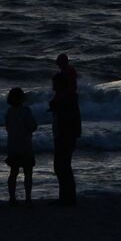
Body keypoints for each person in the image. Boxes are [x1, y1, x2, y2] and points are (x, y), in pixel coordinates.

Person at [48, 53, 82, 205]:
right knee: (63, 166)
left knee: (62, 166)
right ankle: (66, 197)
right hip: (64, 135)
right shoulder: (66, 97)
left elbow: (71, 118)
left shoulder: (66, 99)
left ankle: (67, 198)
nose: (52, 87)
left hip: (64, 135)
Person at [4, 87, 38, 205]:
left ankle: (12, 198)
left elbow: (7, 128)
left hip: (13, 146)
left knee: (13, 172)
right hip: (25, 145)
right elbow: (32, 126)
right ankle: (28, 198)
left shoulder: (9, 112)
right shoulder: (26, 111)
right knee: (28, 172)